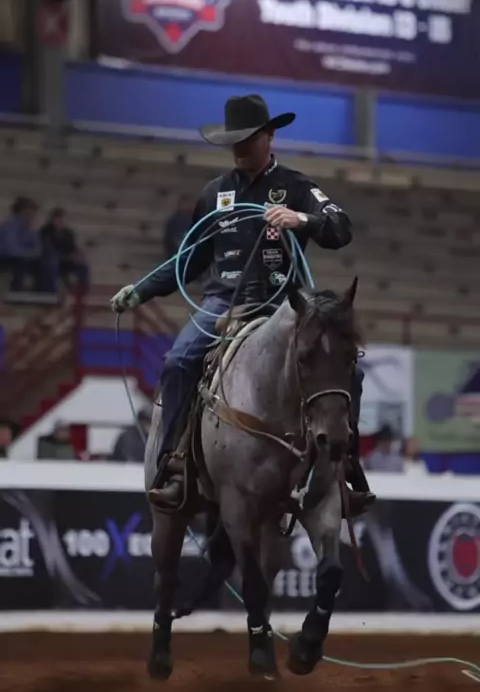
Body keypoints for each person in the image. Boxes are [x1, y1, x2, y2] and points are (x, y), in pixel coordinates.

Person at [111, 94, 375, 513]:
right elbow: (190, 260)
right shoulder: (214, 193)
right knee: (178, 362)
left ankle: (346, 469)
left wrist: (301, 219)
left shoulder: (297, 186)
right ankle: (173, 465)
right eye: (233, 141)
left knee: (348, 369)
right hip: (224, 300)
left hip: (286, 303)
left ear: (269, 136)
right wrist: (141, 290)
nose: (238, 148)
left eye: (247, 139)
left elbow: (340, 228)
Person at [0, 197, 57, 293]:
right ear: (24, 211)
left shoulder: (30, 227)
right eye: (32, 211)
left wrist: (33, 231)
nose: (34, 215)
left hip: (24, 258)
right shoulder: (10, 225)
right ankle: (15, 293)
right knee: (19, 263)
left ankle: (45, 294)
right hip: (6, 259)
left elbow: (37, 248)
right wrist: (30, 254)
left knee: (47, 263)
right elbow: (11, 250)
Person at [41, 208, 90, 294]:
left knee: (83, 265)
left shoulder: (68, 233)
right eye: (58, 219)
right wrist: (66, 256)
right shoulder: (46, 231)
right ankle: (52, 293)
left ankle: (81, 293)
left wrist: (77, 255)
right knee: (52, 262)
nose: (60, 221)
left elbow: (72, 247)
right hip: (52, 259)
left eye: (62, 219)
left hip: (66, 260)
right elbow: (48, 249)